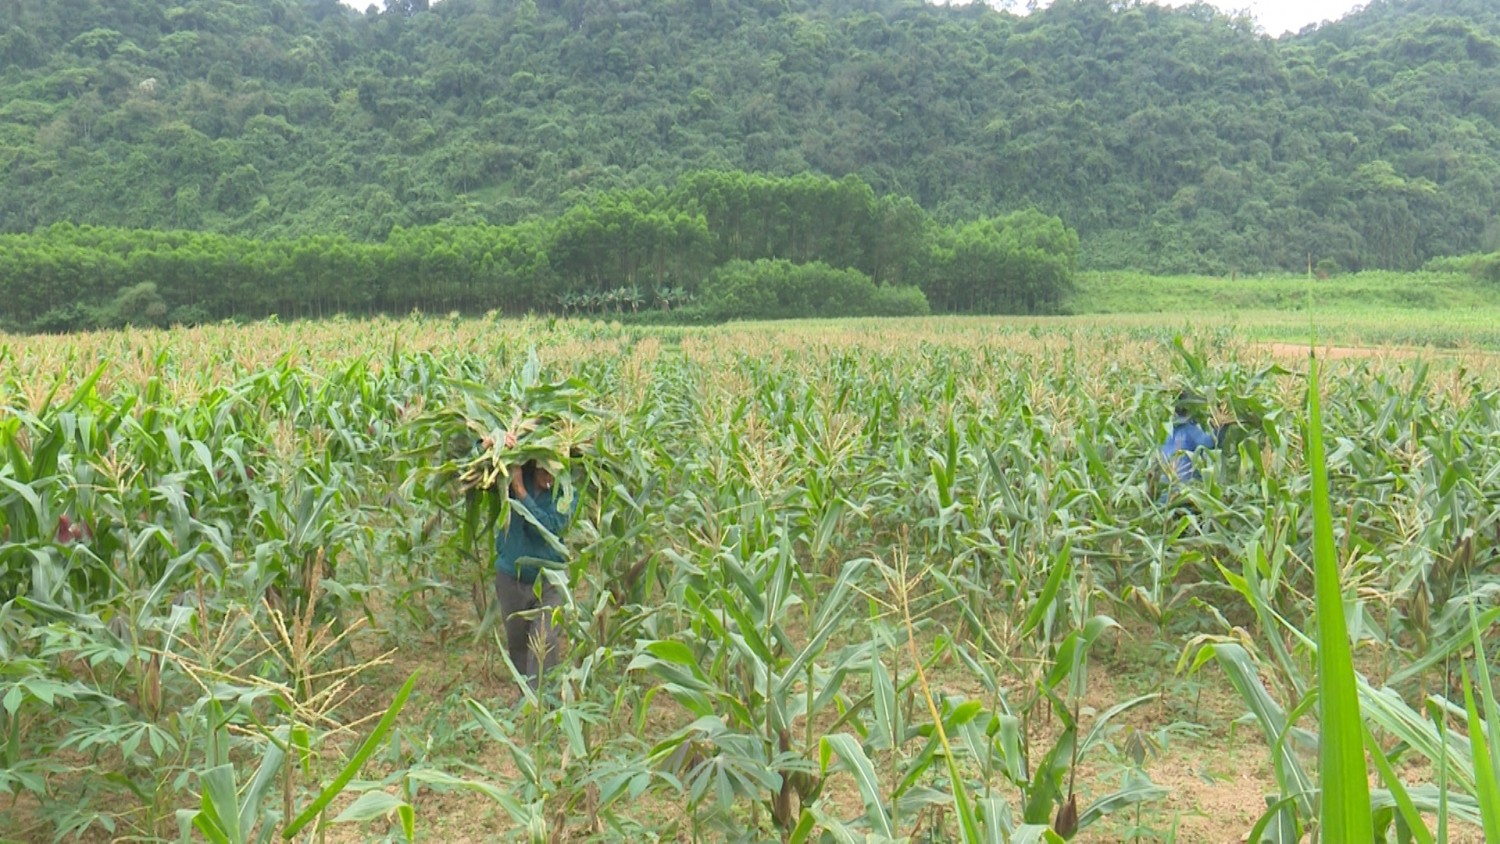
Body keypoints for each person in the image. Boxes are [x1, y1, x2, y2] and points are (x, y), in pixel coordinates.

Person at [493, 431, 576, 692]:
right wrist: (492, 442)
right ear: (535, 463)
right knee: (517, 644)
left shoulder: (566, 491)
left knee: (545, 639)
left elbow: (550, 528)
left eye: (555, 472)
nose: (549, 479)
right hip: (512, 578)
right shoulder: (514, 472)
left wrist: (521, 492)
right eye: (544, 472)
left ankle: (543, 704)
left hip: (550, 579)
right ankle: (525, 699)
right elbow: (480, 462)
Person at [1156, 389, 1224, 503]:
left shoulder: (1166, 430)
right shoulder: (1189, 429)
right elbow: (1211, 443)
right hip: (1182, 492)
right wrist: (1220, 425)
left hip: (1162, 492)